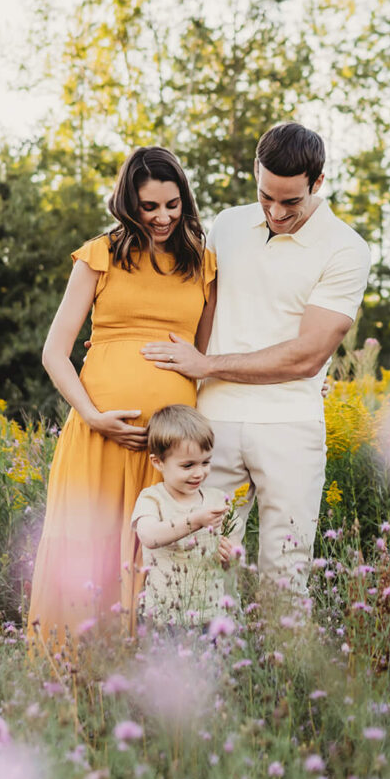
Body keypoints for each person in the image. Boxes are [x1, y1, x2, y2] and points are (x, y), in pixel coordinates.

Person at [141, 122, 370, 599]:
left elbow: (308, 356)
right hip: (212, 425)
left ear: (319, 183)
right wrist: (122, 340)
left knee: (283, 576)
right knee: (198, 566)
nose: (276, 211)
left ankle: (282, 675)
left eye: (291, 201)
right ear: (255, 173)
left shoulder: (347, 248)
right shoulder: (227, 224)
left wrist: (208, 365)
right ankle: (205, 671)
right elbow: (196, 305)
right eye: (267, 196)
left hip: (289, 426)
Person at [26, 147, 217, 644]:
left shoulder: (203, 264)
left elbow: (209, 353)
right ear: (128, 203)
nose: (162, 217)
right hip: (100, 440)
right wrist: (92, 416)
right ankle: (75, 687)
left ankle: (150, 693)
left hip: (170, 454)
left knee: (160, 562)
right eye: (149, 207)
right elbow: (53, 351)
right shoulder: (100, 255)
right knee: (88, 559)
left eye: (172, 205)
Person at [129, 405, 244, 628]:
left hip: (212, 616)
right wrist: (195, 521)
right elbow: (149, 536)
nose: (199, 473)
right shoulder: (153, 498)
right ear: (158, 462)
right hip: (167, 618)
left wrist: (231, 557)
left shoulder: (218, 500)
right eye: (188, 465)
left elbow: (235, 555)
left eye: (205, 462)